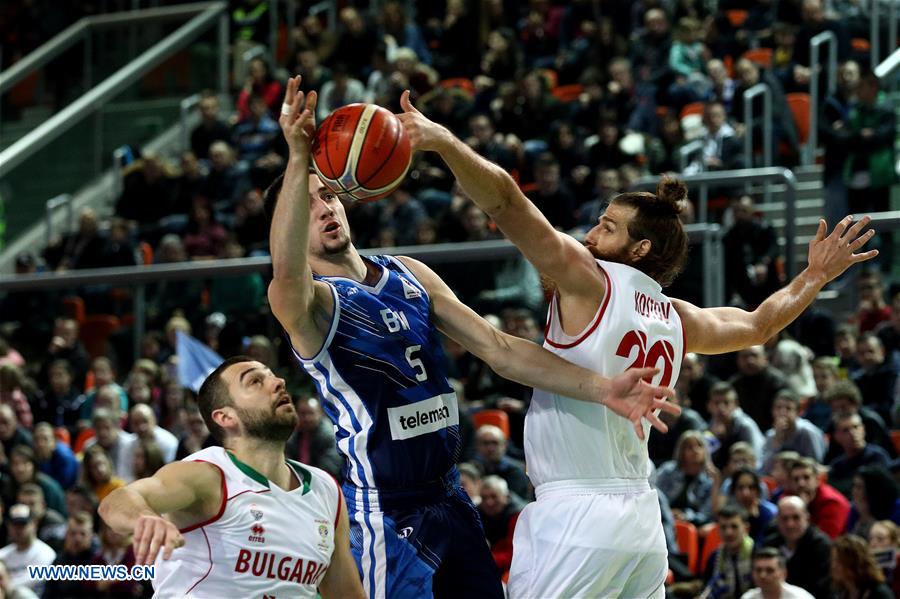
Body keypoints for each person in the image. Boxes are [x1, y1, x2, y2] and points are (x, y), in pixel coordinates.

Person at [399, 88, 876, 598]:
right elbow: (760, 324)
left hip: (577, 517)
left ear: (639, 247)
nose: (589, 233)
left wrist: (446, 143)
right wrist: (814, 277)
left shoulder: (589, 280)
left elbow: (507, 202)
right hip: (641, 522)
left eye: (605, 226)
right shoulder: (678, 317)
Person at [267, 77, 677, 599]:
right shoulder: (307, 303)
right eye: (308, 204)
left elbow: (499, 348)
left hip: (450, 496)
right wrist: (299, 155)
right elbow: (285, 268)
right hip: (387, 509)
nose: (325, 207)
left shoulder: (409, 273)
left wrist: (602, 387)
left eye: (328, 194)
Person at [98, 356, 365, 598]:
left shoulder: (325, 489)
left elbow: (345, 594)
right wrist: (145, 518)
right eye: (255, 381)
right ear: (226, 417)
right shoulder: (209, 475)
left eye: (272, 375)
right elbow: (118, 501)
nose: (278, 382)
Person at [763, 496, 832, 597]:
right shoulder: (770, 544)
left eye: (796, 517)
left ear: (807, 518)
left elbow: (823, 588)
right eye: (784, 518)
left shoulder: (821, 546)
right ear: (777, 520)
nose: (790, 524)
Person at [0, 504, 56, 595]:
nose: (18, 529)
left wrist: (4, 586)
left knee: (21, 592)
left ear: (34, 524)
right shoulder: (3, 553)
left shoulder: (45, 553)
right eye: (14, 525)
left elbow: (30, 581)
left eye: (22, 524)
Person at [831, 534, 895, 599]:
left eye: (838, 561)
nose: (833, 566)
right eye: (833, 560)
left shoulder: (880, 594)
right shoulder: (840, 591)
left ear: (854, 563)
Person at [739, 547, 814, 599]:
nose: (763, 575)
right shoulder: (747, 597)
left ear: (783, 573)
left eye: (770, 570)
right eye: (758, 570)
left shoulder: (800, 597)